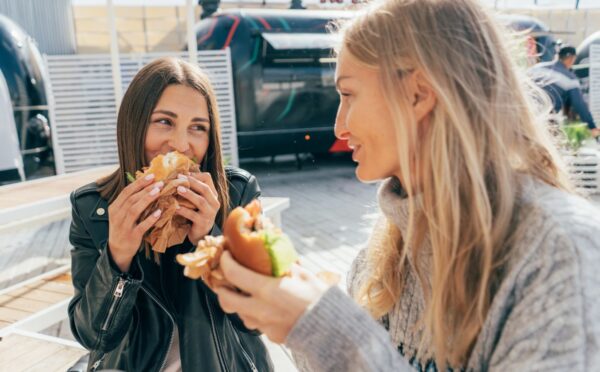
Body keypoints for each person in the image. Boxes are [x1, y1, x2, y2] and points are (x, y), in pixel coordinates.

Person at [209, 1, 600, 371]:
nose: (339, 127)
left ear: (418, 94)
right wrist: (290, 315)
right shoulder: (382, 252)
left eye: (348, 94)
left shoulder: (559, 249)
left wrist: (326, 329)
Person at [68, 57, 273, 371]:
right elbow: (92, 337)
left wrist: (212, 241)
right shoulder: (92, 208)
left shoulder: (236, 194)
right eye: (164, 121)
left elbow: (258, 319)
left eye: (197, 128)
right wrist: (117, 256)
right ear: (133, 126)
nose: (180, 144)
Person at [531, 45, 599, 136]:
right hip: (545, 118)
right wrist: (592, 126)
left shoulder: (536, 68)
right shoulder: (570, 79)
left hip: (525, 111)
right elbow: (579, 105)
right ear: (571, 58)